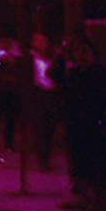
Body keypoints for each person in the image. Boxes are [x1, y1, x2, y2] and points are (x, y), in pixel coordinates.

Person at [60, 36, 106, 211]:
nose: (81, 55)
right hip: (78, 126)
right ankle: (91, 203)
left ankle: (104, 206)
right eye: (77, 51)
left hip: (97, 125)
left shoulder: (102, 74)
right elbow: (53, 75)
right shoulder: (75, 73)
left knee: (100, 167)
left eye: (85, 51)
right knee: (83, 166)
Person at [28, 33, 65, 170]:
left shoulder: (54, 58)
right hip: (38, 96)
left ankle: (46, 156)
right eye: (39, 42)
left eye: (44, 41)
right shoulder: (29, 59)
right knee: (40, 129)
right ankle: (42, 159)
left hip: (51, 95)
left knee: (50, 128)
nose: (43, 45)